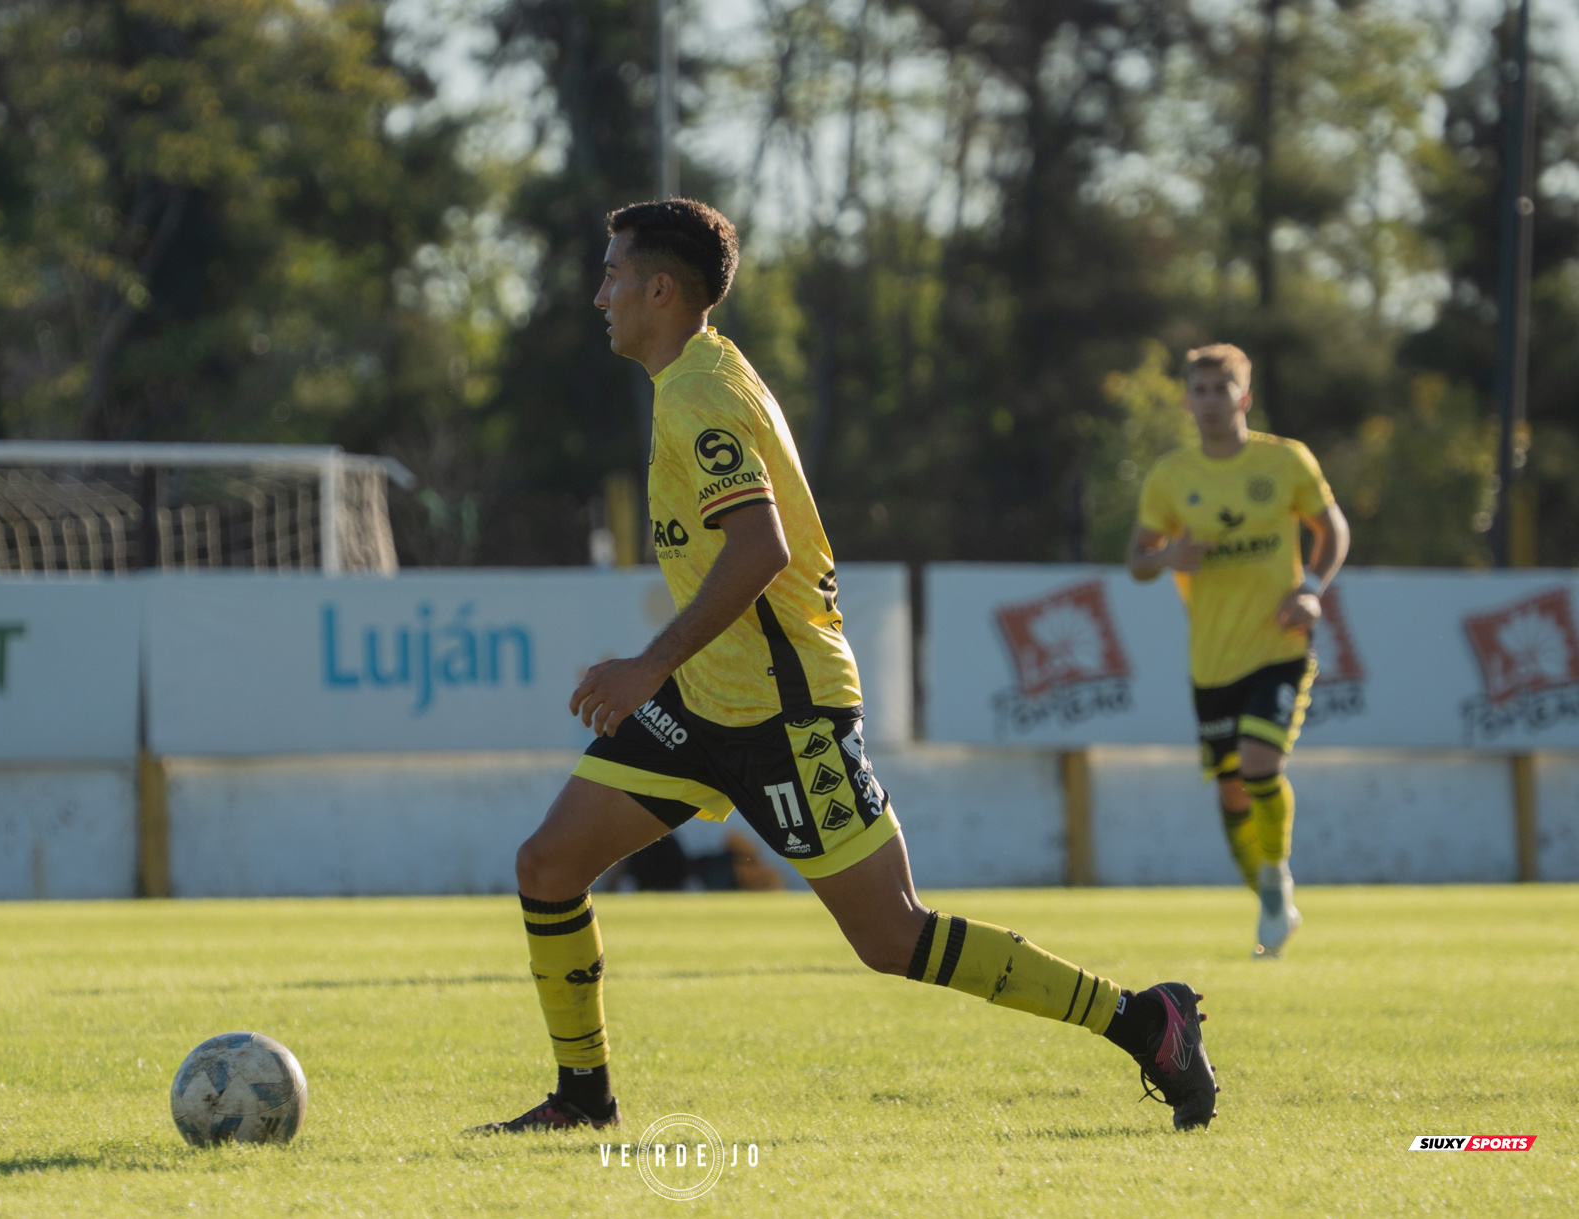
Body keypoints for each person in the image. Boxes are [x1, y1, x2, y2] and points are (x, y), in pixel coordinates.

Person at [472, 199, 1218, 1136]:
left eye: (614, 274)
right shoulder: (695, 376)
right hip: (708, 706)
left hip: (787, 714)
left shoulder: (702, 394)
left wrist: (646, 664)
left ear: (662, 290)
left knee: (892, 934)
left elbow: (759, 549)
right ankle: (584, 1100)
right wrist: (669, 678)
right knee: (548, 862)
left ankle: (1147, 1021)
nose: (599, 295)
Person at [1127, 344, 1350, 958]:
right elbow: (1137, 560)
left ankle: (1276, 877)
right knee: (1230, 791)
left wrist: (1310, 590)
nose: (1209, 402)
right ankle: (1269, 898)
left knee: (1259, 764)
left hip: (1279, 643)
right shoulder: (1171, 477)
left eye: (1220, 390)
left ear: (1243, 398)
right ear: (1186, 401)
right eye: (1198, 391)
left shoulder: (1285, 462)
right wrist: (1166, 556)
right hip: (1211, 659)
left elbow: (1333, 528)